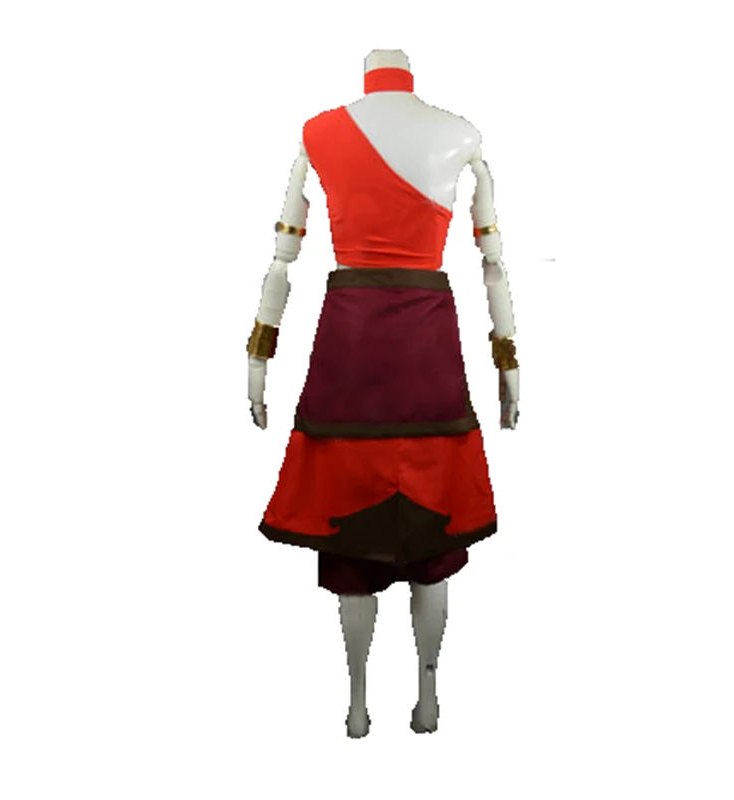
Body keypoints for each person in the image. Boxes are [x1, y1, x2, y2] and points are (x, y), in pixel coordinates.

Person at [247, 49, 519, 737]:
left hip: (354, 338)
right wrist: (508, 369)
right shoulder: (459, 134)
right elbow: (493, 263)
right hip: (425, 343)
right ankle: (426, 699)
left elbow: (282, 259)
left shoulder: (320, 133)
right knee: (433, 538)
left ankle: (358, 703)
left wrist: (258, 358)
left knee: (352, 540)